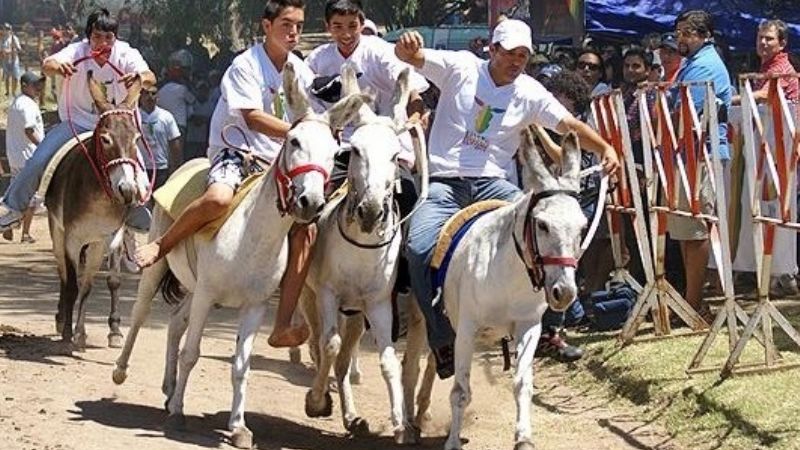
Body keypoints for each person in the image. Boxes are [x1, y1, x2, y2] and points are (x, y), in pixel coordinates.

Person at [395, 19, 619, 379]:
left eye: (523, 56)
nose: (516, 62)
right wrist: (407, 48)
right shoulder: (460, 67)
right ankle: (441, 338)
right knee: (419, 247)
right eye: (511, 54)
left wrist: (606, 147)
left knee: (550, 228)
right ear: (493, 50)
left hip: (495, 186)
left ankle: (546, 328)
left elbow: (569, 126)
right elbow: (413, 56)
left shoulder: (530, 91)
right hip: (444, 184)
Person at [133, 0, 316, 348]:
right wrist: (299, 129)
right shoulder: (245, 65)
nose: (293, 32)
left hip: (277, 162)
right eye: (286, 25)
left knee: (307, 229)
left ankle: (283, 322)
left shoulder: (300, 70)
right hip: (236, 152)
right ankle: (163, 243)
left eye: (299, 26)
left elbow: (316, 109)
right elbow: (251, 117)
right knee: (218, 198)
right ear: (267, 26)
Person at [0, 8, 156, 232]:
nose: (102, 43)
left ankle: (134, 219)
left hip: (116, 129)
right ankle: (14, 208)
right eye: (97, 37)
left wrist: (140, 77)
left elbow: (150, 77)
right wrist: (58, 67)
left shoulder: (126, 53)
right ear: (88, 37)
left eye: (108, 38)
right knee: (37, 161)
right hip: (77, 124)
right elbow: (48, 64)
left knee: (137, 173)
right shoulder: (76, 51)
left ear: (116, 38)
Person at [670, 10, 732, 319]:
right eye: (678, 32)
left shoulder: (704, 65)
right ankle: (690, 300)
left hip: (701, 155)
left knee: (695, 228)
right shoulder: (692, 64)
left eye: (686, 33)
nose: (680, 38)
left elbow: (685, 115)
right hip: (688, 155)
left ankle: (693, 303)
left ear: (703, 35)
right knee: (686, 227)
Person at [3, 72, 45, 243]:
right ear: (25, 85)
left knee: (17, 194)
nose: (39, 89)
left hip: (16, 155)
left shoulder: (18, 102)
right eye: (35, 85)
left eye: (39, 85)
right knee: (30, 197)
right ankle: (24, 233)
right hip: (27, 155)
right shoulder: (26, 105)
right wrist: (43, 147)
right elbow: (29, 129)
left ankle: (10, 226)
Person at [733, 19, 798, 104]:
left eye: (769, 39)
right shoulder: (768, 65)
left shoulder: (781, 68)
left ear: (782, 44)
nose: (762, 42)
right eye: (760, 37)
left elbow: (764, 95)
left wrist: (729, 100)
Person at [138, 84, 182, 191]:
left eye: (153, 93)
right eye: (146, 94)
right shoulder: (134, 116)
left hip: (161, 167)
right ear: (140, 96)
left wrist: (176, 167)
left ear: (158, 97)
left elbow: (174, 142)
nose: (150, 97)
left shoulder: (166, 117)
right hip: (140, 168)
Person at [1, 23, 22, 97]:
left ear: (10, 30)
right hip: (5, 60)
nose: (6, 30)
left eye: (7, 29)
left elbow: (19, 49)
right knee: (7, 77)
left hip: (14, 59)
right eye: (4, 29)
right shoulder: (2, 39)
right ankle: (7, 92)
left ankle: (14, 92)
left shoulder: (14, 38)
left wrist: (10, 51)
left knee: (15, 77)